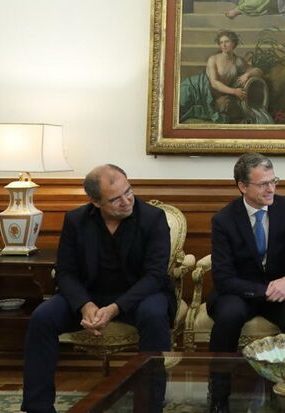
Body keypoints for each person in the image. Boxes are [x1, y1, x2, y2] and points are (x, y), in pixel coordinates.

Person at [22, 165, 174, 413]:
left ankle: (149, 406)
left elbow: (155, 275)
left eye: (128, 191)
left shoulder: (153, 218)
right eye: (115, 199)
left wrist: (115, 308)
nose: (126, 201)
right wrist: (85, 305)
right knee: (42, 317)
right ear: (95, 202)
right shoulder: (76, 220)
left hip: (139, 296)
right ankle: (37, 407)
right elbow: (66, 272)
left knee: (154, 314)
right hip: (90, 295)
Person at [207, 153, 285, 355]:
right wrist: (269, 290)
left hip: (282, 289)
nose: (271, 189)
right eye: (263, 184)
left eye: (273, 181)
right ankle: (219, 373)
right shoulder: (223, 220)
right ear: (243, 186)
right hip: (239, 293)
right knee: (228, 316)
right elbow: (223, 278)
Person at [178, 30, 267, 124]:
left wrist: (247, 74)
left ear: (233, 43)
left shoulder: (238, 61)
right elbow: (214, 83)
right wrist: (234, 91)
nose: (223, 45)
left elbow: (259, 71)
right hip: (195, 87)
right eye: (221, 42)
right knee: (178, 108)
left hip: (214, 93)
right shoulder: (213, 59)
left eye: (227, 42)